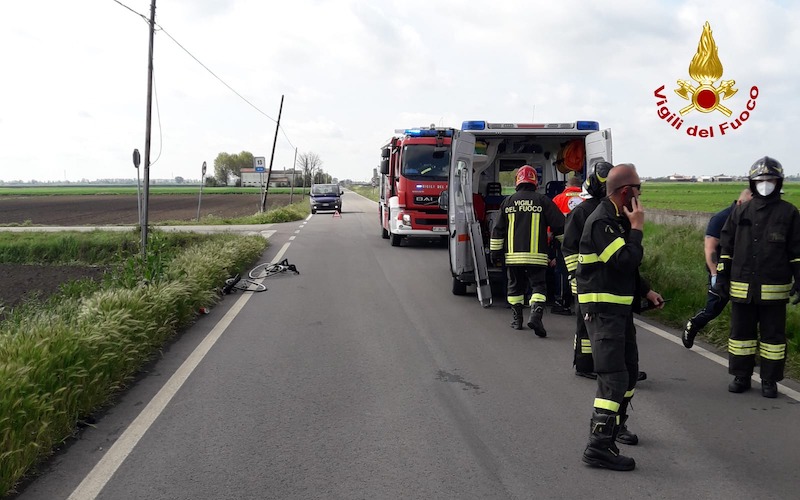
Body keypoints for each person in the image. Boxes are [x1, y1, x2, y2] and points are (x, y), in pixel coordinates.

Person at [577, 163, 664, 471]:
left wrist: (646, 291)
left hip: (619, 310)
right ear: (626, 192)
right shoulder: (602, 221)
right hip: (603, 312)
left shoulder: (615, 219)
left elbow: (625, 269)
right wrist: (638, 228)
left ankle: (615, 428)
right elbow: (624, 260)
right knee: (613, 378)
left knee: (627, 372)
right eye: (639, 189)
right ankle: (598, 445)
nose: (641, 195)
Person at [715, 157, 800, 398]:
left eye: (769, 179)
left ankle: (769, 380)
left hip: (774, 290)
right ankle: (741, 376)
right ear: (752, 183)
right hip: (742, 288)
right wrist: (721, 278)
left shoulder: (789, 213)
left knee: (773, 339)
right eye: (760, 180)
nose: (765, 184)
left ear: (778, 182)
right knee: (741, 335)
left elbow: (797, 252)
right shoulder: (740, 211)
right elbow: (726, 249)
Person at [490, 165, 565, 335]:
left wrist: (495, 254)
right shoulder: (543, 201)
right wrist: (563, 246)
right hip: (537, 256)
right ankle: (536, 316)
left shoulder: (507, 202)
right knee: (538, 286)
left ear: (517, 181)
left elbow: (497, 230)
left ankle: (517, 320)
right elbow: (560, 225)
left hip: (513, 257)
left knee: (515, 287)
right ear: (535, 182)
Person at [682, 188, 753, 349]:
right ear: (740, 203)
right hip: (722, 272)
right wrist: (715, 274)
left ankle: (745, 350)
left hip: (745, 274)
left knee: (746, 314)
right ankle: (693, 325)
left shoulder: (754, 220)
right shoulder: (721, 218)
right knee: (713, 309)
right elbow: (710, 248)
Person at [563, 163, 613, 379]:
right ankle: (585, 365)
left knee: (608, 325)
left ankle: (610, 364)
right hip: (587, 281)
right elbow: (569, 247)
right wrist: (577, 275)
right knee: (586, 325)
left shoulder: (611, 211)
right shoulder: (582, 211)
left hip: (608, 280)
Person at [549, 176, 584, 315]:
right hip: (584, 241)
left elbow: (550, 224)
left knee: (563, 272)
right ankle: (581, 301)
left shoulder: (558, 199)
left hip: (564, 241)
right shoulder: (587, 199)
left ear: (567, 186)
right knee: (582, 270)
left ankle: (562, 303)